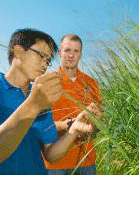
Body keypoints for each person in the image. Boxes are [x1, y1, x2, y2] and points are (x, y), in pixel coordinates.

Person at [0, 29, 98, 175]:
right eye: (41, 55)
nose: (44, 64)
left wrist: (74, 131)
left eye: (48, 60)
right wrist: (33, 105)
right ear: (18, 51)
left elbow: (50, 154)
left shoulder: (41, 97)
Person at [43, 34, 102, 175]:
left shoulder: (92, 83)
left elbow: (99, 123)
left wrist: (95, 127)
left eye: (76, 51)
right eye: (67, 50)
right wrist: (67, 125)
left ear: (80, 54)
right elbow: (39, 126)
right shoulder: (46, 82)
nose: (71, 55)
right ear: (59, 53)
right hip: (55, 164)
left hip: (86, 162)